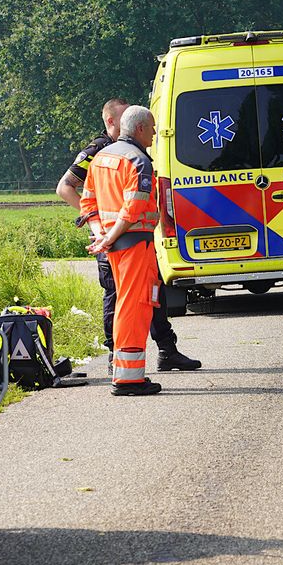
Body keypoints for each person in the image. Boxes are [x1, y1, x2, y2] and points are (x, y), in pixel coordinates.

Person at [56, 99, 200, 375]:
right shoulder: (99, 151)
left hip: (126, 236)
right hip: (118, 237)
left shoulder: (125, 152)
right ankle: (118, 358)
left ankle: (166, 349)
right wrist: (102, 231)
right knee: (120, 298)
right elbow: (66, 188)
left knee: (152, 293)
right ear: (112, 121)